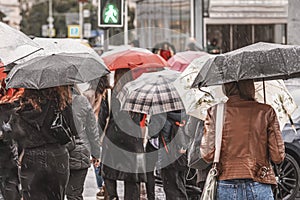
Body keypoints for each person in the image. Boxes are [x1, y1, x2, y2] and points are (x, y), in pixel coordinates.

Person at [200, 80, 285, 200]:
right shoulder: (266, 111)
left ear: (226, 86)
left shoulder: (215, 112)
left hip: (226, 182)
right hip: (259, 181)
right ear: (250, 86)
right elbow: (278, 156)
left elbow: (207, 154)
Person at [8, 86, 77, 200]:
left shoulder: (21, 106)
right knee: (56, 196)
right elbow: (74, 129)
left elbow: (13, 133)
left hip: (31, 157)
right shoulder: (61, 102)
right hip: (57, 155)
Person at [101, 68, 147, 200]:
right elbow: (140, 119)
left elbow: (103, 118)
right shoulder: (137, 94)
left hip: (113, 139)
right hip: (133, 139)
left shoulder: (109, 94)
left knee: (109, 174)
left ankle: (112, 197)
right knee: (132, 178)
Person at [66, 86, 101, 200]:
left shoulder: (52, 101)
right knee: (75, 194)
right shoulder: (81, 101)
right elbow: (92, 129)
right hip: (80, 151)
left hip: (58, 153)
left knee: (56, 193)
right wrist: (96, 153)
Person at [158, 110, 190, 200]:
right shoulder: (185, 115)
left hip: (167, 158)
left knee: (170, 189)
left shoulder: (163, 116)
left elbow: (154, 134)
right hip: (181, 157)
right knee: (181, 186)